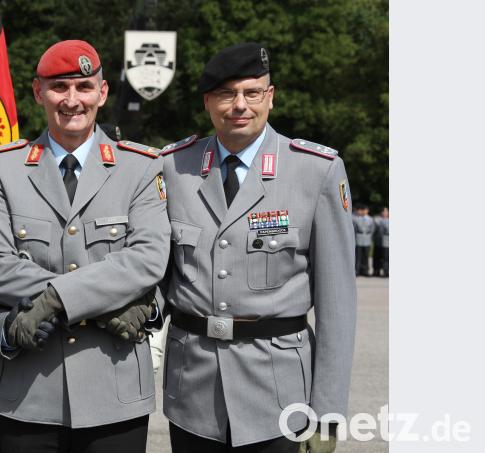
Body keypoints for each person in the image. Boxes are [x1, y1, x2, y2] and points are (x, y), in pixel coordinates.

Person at [0, 40, 170, 453]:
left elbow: (147, 260)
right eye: (60, 87)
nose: (72, 100)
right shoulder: (2, 169)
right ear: (39, 92)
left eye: (83, 86)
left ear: (103, 92)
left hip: (113, 391)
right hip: (27, 393)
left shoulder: (141, 167)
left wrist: (53, 300)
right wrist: (104, 300)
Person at [159, 43, 356, 452]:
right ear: (208, 102)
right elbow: (157, 273)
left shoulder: (314, 170)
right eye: (227, 94)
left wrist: (328, 414)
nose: (240, 105)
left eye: (252, 92)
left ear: (271, 97)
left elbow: (337, 306)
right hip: (193, 391)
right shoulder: (173, 168)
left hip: (280, 395)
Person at [352, 204, 374, 276]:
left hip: (367, 238)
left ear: (367, 211)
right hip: (359, 238)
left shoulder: (370, 219)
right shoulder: (356, 219)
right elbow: (354, 229)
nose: (364, 211)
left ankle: (366, 271)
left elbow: (372, 229)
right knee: (358, 256)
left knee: (366, 256)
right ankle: (357, 271)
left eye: (365, 210)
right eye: (362, 210)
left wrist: (369, 235)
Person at [373, 206, 389, 277]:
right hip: (378, 242)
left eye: (386, 211)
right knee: (377, 257)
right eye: (384, 211)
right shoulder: (377, 219)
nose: (385, 213)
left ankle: (386, 271)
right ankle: (376, 271)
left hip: (387, 242)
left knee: (386, 258)